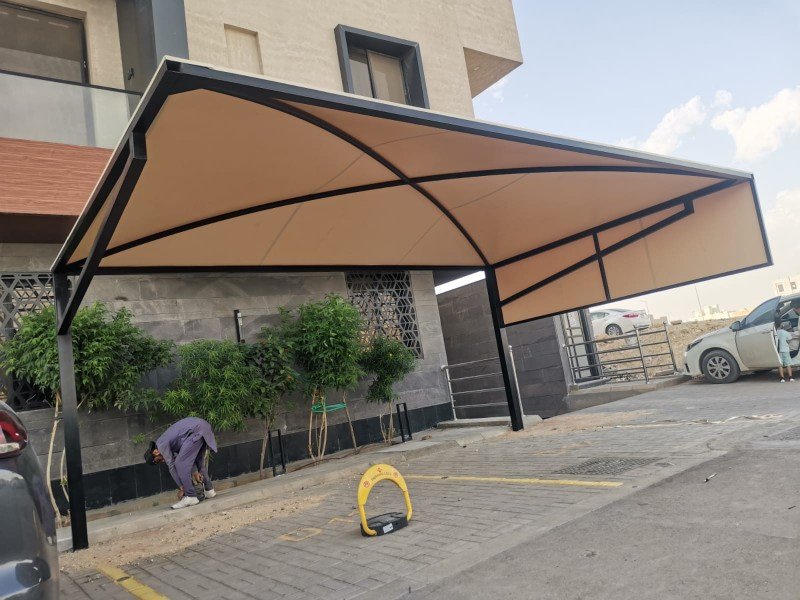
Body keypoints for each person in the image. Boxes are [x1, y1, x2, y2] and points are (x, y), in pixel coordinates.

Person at [144, 417, 218, 509]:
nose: (162, 461)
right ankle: (209, 490)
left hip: (196, 431)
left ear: (155, 452)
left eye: (158, 460)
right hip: (203, 427)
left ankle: (191, 496)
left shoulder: (161, 445)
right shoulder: (170, 444)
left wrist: (182, 488)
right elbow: (189, 458)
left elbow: (172, 466)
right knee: (198, 461)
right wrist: (195, 472)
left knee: (179, 463)